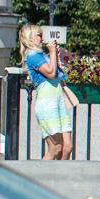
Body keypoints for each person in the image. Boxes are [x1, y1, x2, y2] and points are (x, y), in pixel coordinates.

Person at [18, 23, 74, 160]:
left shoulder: (41, 54)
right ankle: (38, 172)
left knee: (67, 147)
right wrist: (53, 52)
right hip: (47, 103)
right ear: (30, 38)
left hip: (57, 101)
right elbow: (50, 73)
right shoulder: (32, 55)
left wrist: (54, 55)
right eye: (39, 36)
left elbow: (56, 73)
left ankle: (60, 174)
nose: (42, 39)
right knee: (55, 148)